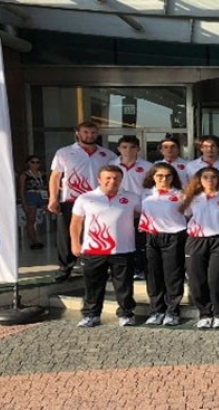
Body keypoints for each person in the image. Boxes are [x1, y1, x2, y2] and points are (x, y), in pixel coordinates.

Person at [70, 165, 141, 328]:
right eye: (108, 178)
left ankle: (126, 314)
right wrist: (75, 243)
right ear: (99, 179)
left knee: (124, 286)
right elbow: (76, 222)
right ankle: (91, 315)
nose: (112, 181)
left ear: (121, 180)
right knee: (93, 285)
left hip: (123, 249)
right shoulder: (86, 198)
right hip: (93, 250)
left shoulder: (132, 198)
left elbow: (142, 214)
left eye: (116, 178)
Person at [48, 121, 117, 282]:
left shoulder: (107, 155)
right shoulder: (64, 152)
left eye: (93, 133)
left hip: (98, 201)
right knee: (66, 234)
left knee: (98, 233)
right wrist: (53, 198)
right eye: (86, 132)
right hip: (71, 199)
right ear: (78, 133)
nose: (89, 136)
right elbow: (55, 177)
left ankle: (100, 267)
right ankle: (65, 267)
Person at [180, 167, 219, 329]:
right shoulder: (191, 198)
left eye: (213, 177)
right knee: (196, 278)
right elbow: (184, 215)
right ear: (199, 180)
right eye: (205, 177)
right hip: (196, 241)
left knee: (217, 279)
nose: (209, 180)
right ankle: (205, 314)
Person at [139, 163, 187, 326]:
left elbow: (189, 214)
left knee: (173, 275)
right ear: (153, 176)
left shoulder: (180, 195)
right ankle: (156, 311)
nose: (164, 179)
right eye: (160, 175)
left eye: (168, 175)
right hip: (151, 236)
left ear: (173, 177)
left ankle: (172, 312)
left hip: (174, 236)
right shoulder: (145, 194)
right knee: (153, 275)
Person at [110, 135, 153, 280]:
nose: (128, 150)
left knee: (139, 242)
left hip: (139, 211)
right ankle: (118, 270)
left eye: (132, 147)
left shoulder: (148, 167)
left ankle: (139, 268)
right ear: (118, 149)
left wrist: (142, 210)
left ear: (138, 149)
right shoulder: (111, 165)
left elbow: (150, 190)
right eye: (124, 147)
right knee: (118, 239)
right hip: (117, 210)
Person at [18, 155, 48, 249]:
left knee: (53, 213)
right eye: (33, 162)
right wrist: (24, 203)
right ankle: (34, 241)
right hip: (31, 196)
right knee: (31, 219)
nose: (35, 164)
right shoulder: (24, 175)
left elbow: (47, 186)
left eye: (37, 162)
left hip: (42, 195)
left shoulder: (42, 174)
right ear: (28, 163)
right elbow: (22, 190)